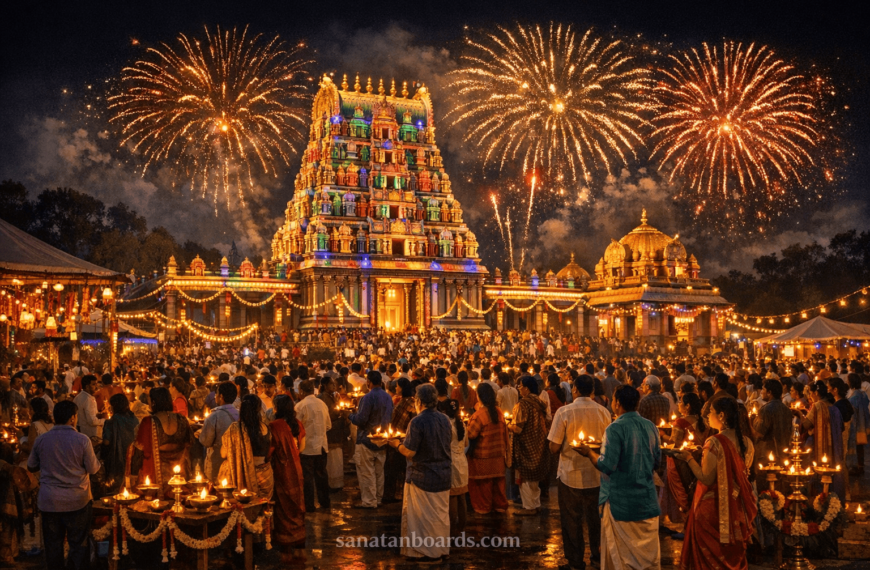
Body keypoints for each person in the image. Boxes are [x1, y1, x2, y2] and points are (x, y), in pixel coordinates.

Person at [576, 385, 662, 570]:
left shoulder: (615, 429)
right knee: (647, 560)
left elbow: (607, 465)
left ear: (617, 403)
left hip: (621, 503)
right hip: (646, 501)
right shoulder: (651, 426)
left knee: (622, 561)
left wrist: (589, 453)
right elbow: (657, 462)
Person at [676, 397, 757, 570]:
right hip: (736, 506)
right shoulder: (747, 443)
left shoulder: (714, 442)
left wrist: (688, 458)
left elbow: (706, 478)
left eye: (711, 412)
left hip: (713, 508)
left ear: (721, 416)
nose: (707, 416)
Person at [27, 400, 101, 570]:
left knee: (53, 546)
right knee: (78, 545)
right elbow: (93, 469)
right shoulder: (82, 440)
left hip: (50, 501)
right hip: (77, 501)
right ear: (73, 418)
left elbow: (31, 466)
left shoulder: (42, 440)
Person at [548, 375, 611, 570]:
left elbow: (554, 447)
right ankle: (598, 557)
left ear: (574, 390)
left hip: (570, 474)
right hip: (596, 474)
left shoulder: (564, 412)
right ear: (592, 391)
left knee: (571, 520)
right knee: (595, 519)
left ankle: (575, 561)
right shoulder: (603, 412)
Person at [389, 383, 452, 563]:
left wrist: (396, 445)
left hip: (422, 476)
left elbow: (410, 452)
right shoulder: (445, 419)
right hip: (443, 475)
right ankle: (440, 550)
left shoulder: (417, 422)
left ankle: (426, 554)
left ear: (419, 401)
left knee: (423, 518)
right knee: (439, 517)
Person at [126, 387, 193, 498]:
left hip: (155, 478)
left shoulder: (148, 422)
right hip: (180, 476)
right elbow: (189, 444)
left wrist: (133, 476)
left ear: (153, 402)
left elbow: (139, 451)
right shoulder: (182, 419)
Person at [269, 394, 307, 563]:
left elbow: (270, 450)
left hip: (282, 471)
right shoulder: (297, 423)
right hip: (297, 469)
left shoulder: (275, 426)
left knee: (283, 509)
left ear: (277, 408)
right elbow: (302, 447)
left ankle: (286, 551)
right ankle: (300, 548)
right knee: (297, 506)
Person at [349, 370, 393, 508]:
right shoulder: (387, 397)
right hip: (383, 439)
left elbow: (361, 419)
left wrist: (350, 416)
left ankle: (369, 501)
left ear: (368, 382)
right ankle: (378, 498)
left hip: (366, 439)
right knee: (379, 472)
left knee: (367, 472)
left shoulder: (367, 398)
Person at [466, 383, 509, 514]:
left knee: (483, 487)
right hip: (498, 457)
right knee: (498, 486)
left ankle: (483, 508)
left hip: (482, 458)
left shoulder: (479, 415)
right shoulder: (499, 412)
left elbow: (470, 434)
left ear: (479, 396)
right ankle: (499, 507)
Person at [219, 394, 273, 498]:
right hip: (264, 476)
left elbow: (223, 454)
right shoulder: (266, 428)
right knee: (262, 506)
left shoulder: (235, 429)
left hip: (240, 476)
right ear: (259, 409)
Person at [509, 376, 549, 515]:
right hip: (539, 442)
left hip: (525, 445)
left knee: (525, 478)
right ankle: (536, 504)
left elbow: (518, 428)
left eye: (520, 386)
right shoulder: (540, 402)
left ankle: (529, 507)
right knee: (535, 477)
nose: (519, 389)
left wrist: (508, 424)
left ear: (526, 388)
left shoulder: (523, 404)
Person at [295, 379, 331, 510]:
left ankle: (309, 505)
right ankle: (325, 502)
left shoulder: (300, 406)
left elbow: (296, 427)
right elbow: (328, 425)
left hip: (307, 447)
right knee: (321, 475)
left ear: (302, 391)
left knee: (307, 477)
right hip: (321, 446)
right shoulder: (322, 404)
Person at [198, 382, 240, 482]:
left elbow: (206, 442)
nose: (215, 397)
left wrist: (200, 434)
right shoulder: (239, 414)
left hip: (217, 463)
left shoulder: (214, 416)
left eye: (216, 394)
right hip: (237, 462)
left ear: (221, 396)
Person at [385, 378, 416, 503]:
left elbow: (397, 420)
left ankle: (395, 494)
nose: (396, 388)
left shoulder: (404, 403)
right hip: (407, 439)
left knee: (395, 468)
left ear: (402, 388)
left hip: (400, 439)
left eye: (397, 386)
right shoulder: (412, 401)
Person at [101, 393, 138, 494]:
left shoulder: (111, 422)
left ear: (114, 406)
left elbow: (106, 442)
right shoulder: (134, 419)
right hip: (133, 456)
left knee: (116, 488)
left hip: (117, 459)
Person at [442, 399, 469, 537]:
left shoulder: (446, 425)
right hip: (462, 462)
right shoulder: (462, 424)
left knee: (452, 497)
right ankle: (462, 528)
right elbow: (466, 443)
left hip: (451, 462)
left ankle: (452, 530)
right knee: (462, 497)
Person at [319, 376, 350, 491]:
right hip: (330, 431)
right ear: (325, 386)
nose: (334, 385)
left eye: (334, 384)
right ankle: (332, 483)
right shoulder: (323, 398)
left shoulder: (331, 396)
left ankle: (337, 483)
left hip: (336, 431)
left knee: (336, 457)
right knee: (332, 458)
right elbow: (330, 414)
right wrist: (340, 413)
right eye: (331, 384)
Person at [753, 379, 793, 464]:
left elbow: (759, 433)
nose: (761, 392)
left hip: (768, 454)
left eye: (763, 389)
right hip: (784, 453)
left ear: (769, 392)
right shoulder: (787, 410)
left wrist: (749, 422)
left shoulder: (765, 409)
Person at [847, 373, 870, 475]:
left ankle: (854, 466)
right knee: (860, 447)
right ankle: (861, 466)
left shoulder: (854, 396)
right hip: (863, 423)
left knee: (854, 446)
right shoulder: (863, 394)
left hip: (855, 424)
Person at [73, 375, 105, 439]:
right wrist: (105, 421)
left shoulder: (78, 397)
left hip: (81, 432)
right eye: (93, 384)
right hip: (90, 434)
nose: (96, 387)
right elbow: (92, 421)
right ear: (87, 386)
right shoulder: (88, 399)